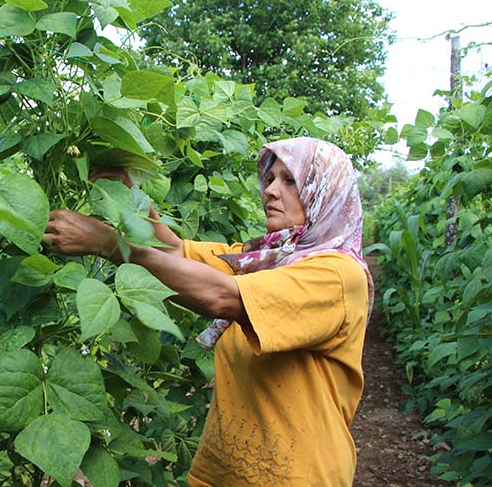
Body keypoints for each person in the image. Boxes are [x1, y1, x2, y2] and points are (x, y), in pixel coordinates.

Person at [43, 137, 373, 487]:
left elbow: (222, 297)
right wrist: (129, 200)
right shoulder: (267, 260)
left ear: (326, 191)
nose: (271, 191)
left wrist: (108, 243)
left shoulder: (338, 275)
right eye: (271, 178)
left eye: (290, 180)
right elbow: (175, 252)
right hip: (228, 473)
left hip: (298, 477)